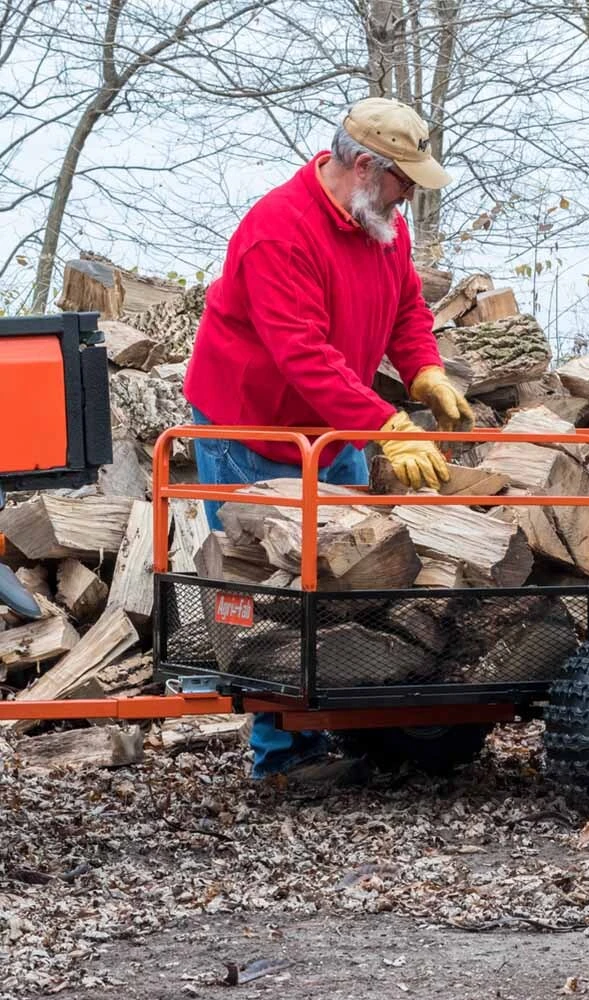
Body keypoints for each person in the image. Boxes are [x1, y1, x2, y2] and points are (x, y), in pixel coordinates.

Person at [183, 96, 474, 781]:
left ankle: (349, 725)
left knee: (347, 576)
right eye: (404, 182)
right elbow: (303, 355)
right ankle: (284, 758)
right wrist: (388, 423)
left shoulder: (382, 225)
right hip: (247, 427)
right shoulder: (278, 231)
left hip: (329, 425)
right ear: (366, 166)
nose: (409, 200)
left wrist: (424, 369)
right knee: (270, 590)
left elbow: (406, 308)